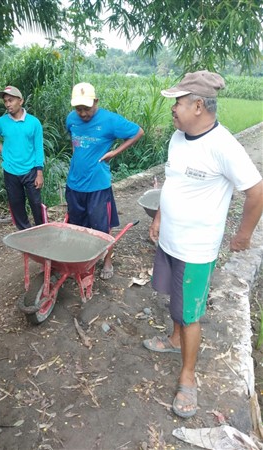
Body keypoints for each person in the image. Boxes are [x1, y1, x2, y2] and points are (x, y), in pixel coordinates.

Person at [143, 70, 263, 418]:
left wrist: (243, 235)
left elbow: (256, 191)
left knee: (191, 313)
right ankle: (174, 338)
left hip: (197, 249)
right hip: (170, 240)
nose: (173, 109)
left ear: (198, 105)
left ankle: (188, 376)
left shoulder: (223, 145)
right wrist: (159, 217)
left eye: (177, 102)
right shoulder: (179, 138)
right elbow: (172, 182)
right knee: (175, 303)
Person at [66, 82, 144, 279]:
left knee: (102, 226)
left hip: (98, 186)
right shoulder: (71, 119)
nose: (82, 113)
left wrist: (115, 152)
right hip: (74, 183)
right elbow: (74, 140)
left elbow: (138, 131)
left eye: (87, 108)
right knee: (77, 226)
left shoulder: (109, 120)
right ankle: (82, 259)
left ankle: (107, 260)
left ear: (96, 101)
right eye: (78, 108)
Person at [0, 86, 45, 230]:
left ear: (21, 101)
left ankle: (42, 230)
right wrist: (4, 152)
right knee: (16, 203)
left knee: (36, 203)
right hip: (10, 171)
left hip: (31, 170)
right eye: (5, 101)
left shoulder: (34, 122)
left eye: (11, 100)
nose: (7, 104)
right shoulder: (1, 122)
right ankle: (24, 232)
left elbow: (38, 148)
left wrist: (39, 172)